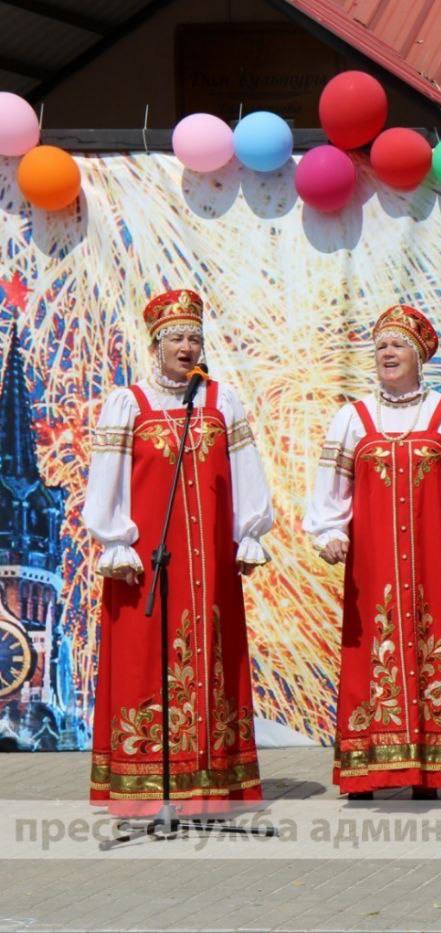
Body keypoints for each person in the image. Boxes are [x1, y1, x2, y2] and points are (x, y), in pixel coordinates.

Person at [304, 304, 441, 799]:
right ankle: (366, 771)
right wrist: (329, 532)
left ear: (420, 355)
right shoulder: (351, 419)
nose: (387, 353)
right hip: (375, 567)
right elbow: (330, 488)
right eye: (380, 347)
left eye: (398, 345)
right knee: (373, 657)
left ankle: (433, 771)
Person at [84, 289, 272, 811]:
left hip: (209, 567)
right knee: (146, 663)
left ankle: (213, 785)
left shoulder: (220, 401)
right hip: (146, 566)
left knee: (212, 661)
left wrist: (249, 531)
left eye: (194, 338)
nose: (187, 348)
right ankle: (147, 790)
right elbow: (108, 482)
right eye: (177, 339)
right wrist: (115, 541)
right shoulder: (128, 404)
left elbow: (245, 472)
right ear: (156, 345)